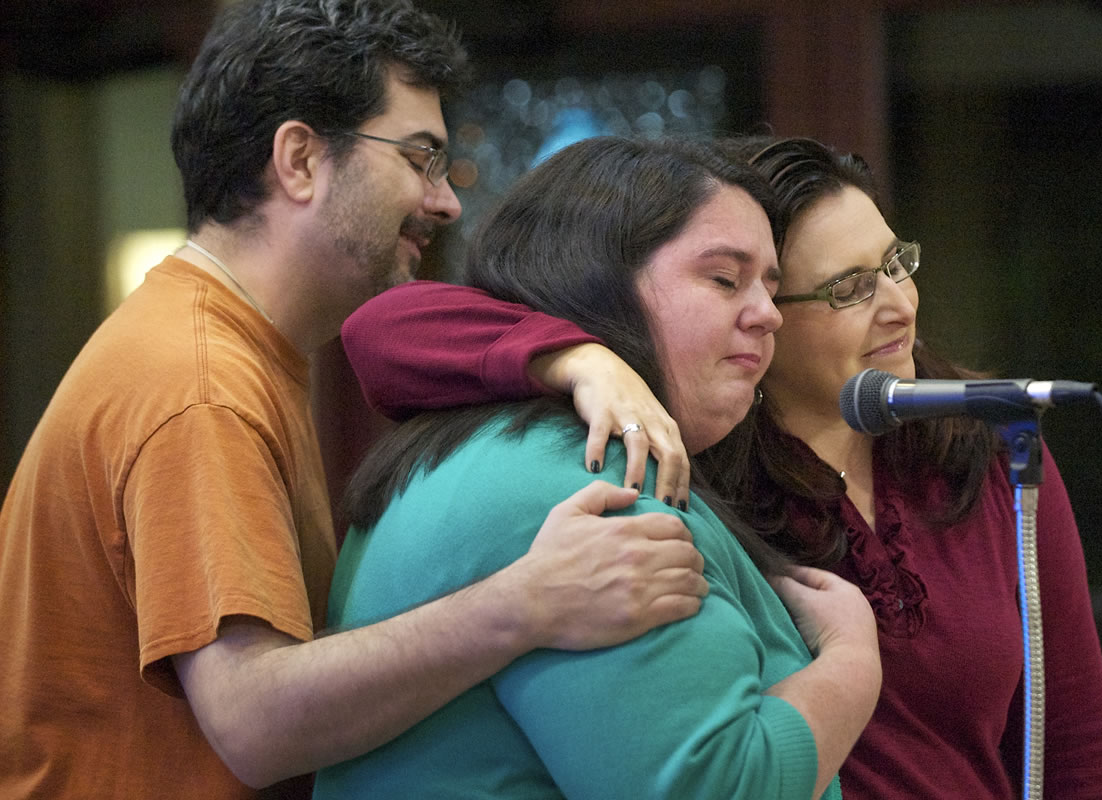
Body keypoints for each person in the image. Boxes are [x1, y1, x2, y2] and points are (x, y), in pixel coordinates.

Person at [0, 2, 710, 797]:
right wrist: (530, 602)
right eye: (420, 157)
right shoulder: (200, 385)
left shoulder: (220, 345)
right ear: (300, 160)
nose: (446, 203)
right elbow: (254, 722)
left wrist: (576, 359)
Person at [338, 136, 1102, 799]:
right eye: (848, 287)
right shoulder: (687, 455)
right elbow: (384, 328)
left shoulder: (982, 444)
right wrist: (579, 359)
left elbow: (1079, 744)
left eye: (898, 264)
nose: (897, 304)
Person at [313, 136, 882, 799]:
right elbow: (718, 789)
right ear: (600, 280)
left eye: (770, 287)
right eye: (725, 279)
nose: (766, 315)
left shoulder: (489, 443)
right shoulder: (599, 484)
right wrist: (851, 662)